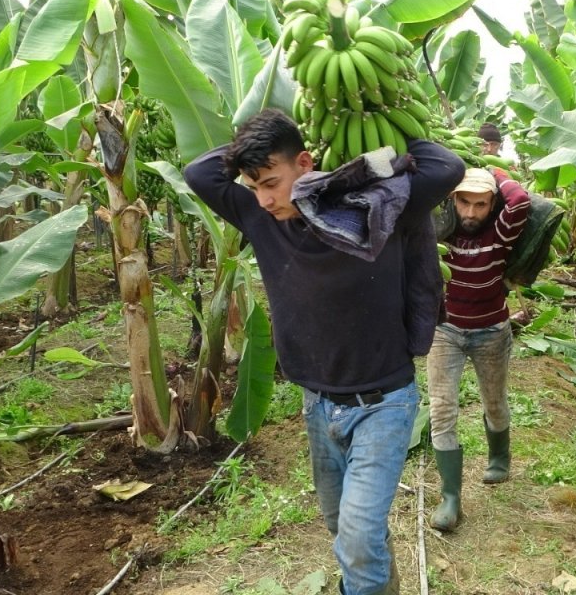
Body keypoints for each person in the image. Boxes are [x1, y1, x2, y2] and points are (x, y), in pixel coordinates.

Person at [184, 109, 464, 594]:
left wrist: (379, 118)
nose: (266, 199)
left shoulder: (378, 207)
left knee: (355, 538)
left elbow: (446, 167)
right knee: (346, 531)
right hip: (318, 404)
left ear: (306, 162)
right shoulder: (259, 215)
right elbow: (199, 172)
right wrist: (255, 150)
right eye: (255, 187)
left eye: (273, 181)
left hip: (385, 403)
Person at [427, 166, 530, 531]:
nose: (471, 213)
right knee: (441, 410)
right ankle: (451, 498)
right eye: (464, 202)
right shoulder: (438, 230)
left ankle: (499, 458)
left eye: (480, 204)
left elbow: (519, 200)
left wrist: (490, 169)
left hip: (491, 330)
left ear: (492, 204)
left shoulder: (501, 231)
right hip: (446, 331)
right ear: (452, 200)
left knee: (495, 402)